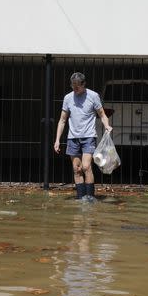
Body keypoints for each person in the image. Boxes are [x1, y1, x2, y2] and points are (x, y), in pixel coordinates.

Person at [54, 72, 112, 200]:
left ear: (83, 84)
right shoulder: (68, 98)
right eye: (72, 86)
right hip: (72, 137)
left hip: (88, 136)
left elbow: (102, 115)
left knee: (86, 167)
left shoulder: (93, 96)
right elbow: (62, 120)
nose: (74, 89)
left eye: (77, 86)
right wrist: (57, 140)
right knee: (77, 169)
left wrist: (107, 126)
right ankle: (81, 198)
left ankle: (90, 198)